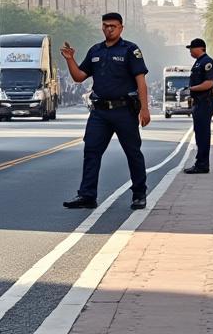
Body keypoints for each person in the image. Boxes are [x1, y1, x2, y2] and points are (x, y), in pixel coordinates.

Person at [60, 12, 151, 210]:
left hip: (124, 110)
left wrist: (144, 109)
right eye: (105, 25)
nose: (109, 29)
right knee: (91, 151)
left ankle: (139, 194)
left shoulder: (130, 50)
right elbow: (79, 77)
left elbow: (141, 82)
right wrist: (70, 59)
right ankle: (87, 195)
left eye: (113, 26)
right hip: (100, 112)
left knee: (132, 152)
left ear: (121, 28)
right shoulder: (95, 51)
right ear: (102, 27)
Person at [183, 38, 213, 174]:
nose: (190, 51)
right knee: (199, 134)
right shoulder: (199, 63)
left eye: (191, 48)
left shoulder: (207, 62)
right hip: (198, 103)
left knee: (203, 134)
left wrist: (192, 89)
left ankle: (202, 164)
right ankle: (200, 162)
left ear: (199, 48)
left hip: (205, 102)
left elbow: (209, 83)